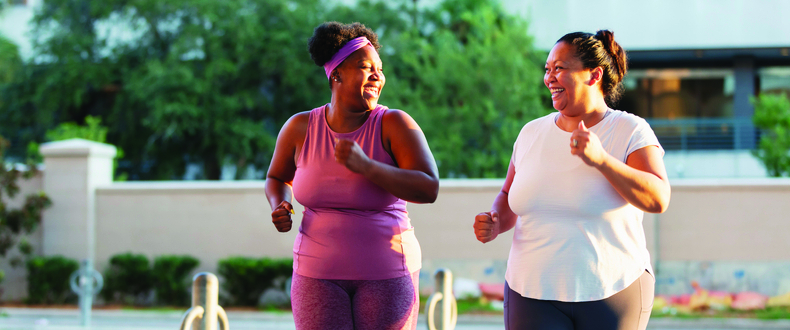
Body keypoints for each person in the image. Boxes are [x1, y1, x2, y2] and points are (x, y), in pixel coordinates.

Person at [473, 30, 671, 330]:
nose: (549, 77)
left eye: (559, 68)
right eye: (547, 69)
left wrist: (602, 160)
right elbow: (508, 195)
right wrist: (496, 220)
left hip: (613, 291)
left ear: (594, 75)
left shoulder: (630, 130)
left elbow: (658, 199)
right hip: (530, 292)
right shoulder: (530, 133)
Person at [265, 21, 439, 330]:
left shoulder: (395, 124)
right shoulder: (299, 128)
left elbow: (429, 187)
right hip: (316, 276)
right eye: (365, 66)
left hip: (386, 275)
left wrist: (368, 167)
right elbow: (277, 177)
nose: (377, 75)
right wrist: (281, 204)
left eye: (380, 69)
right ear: (336, 74)